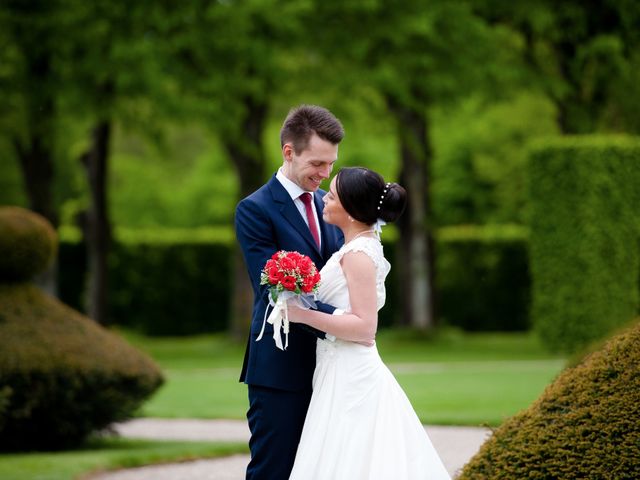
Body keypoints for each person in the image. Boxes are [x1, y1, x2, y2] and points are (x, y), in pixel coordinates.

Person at [287, 167, 451, 480]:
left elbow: (364, 328)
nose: (324, 199)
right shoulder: (355, 247)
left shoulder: (359, 254)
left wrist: (300, 314)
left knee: (353, 456)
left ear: (349, 209)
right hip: (336, 367)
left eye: (331, 196)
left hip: (351, 374)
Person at [235, 105, 345, 480]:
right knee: (274, 470)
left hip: (334, 365)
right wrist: (349, 321)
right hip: (280, 370)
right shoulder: (255, 210)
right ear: (288, 151)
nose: (325, 174)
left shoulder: (329, 207)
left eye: (331, 164)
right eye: (317, 163)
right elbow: (277, 292)